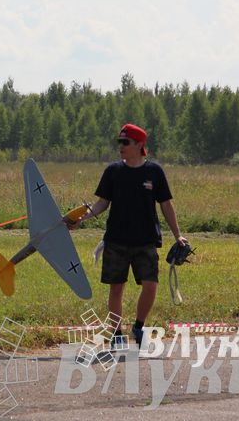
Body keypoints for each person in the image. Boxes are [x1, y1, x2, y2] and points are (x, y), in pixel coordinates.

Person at [67, 123, 188, 347]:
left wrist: (178, 235)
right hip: (116, 239)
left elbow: (166, 205)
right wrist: (82, 219)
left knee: (150, 285)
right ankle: (116, 334)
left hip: (146, 240)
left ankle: (139, 327)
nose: (120, 146)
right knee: (116, 288)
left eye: (125, 142)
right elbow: (102, 202)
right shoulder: (113, 171)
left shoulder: (154, 172)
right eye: (119, 142)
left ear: (139, 145)